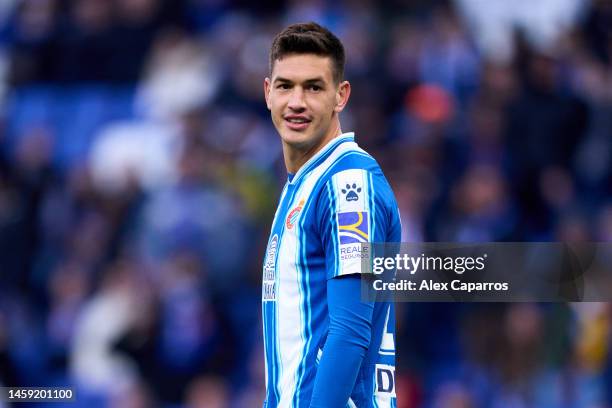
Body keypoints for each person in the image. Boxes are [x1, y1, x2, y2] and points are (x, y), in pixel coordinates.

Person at [262, 22, 400, 407]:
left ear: (341, 96)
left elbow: (350, 331)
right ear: (268, 92)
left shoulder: (347, 186)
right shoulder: (304, 183)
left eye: (314, 87)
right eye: (286, 86)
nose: (297, 102)